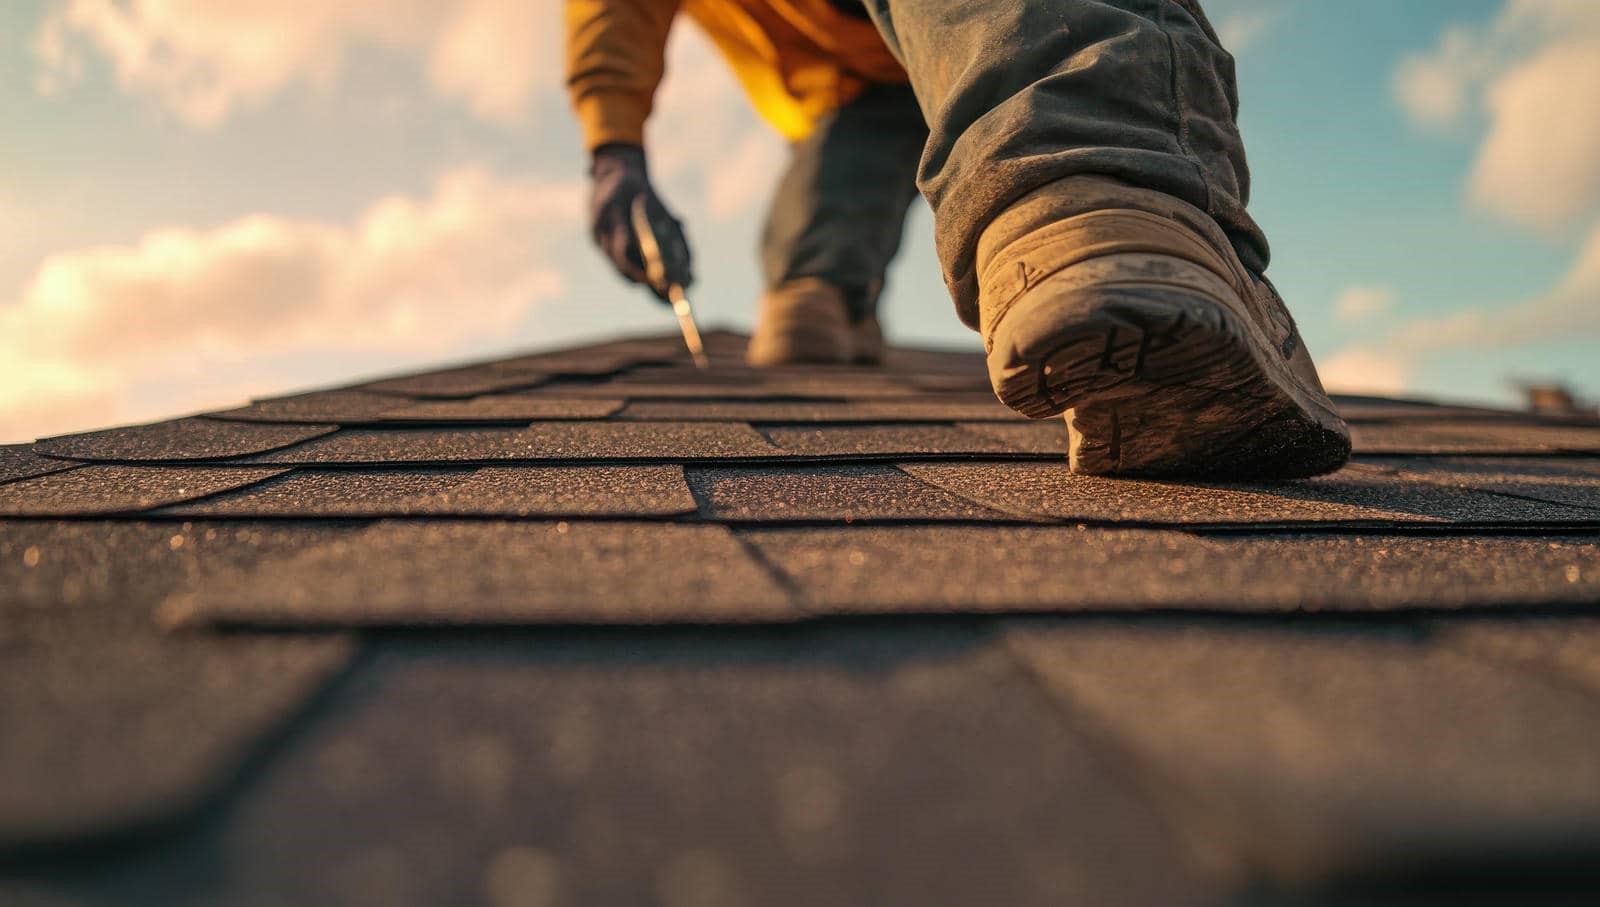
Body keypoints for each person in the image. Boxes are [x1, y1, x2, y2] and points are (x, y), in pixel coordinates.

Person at [565, 0, 1352, 478]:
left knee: (824, 236)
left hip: (932, 49)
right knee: (822, 255)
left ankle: (1081, 206)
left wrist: (614, 148)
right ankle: (1084, 193)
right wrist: (614, 145)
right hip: (860, 79)